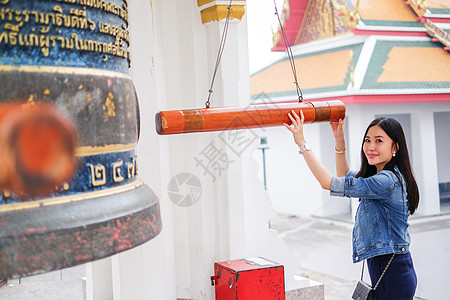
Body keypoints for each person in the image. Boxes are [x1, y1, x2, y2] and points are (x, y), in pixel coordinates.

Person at [284, 110, 418, 300]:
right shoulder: (378, 178)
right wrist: (340, 140)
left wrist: (302, 144)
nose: (371, 146)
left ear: (395, 147)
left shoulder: (387, 181)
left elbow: (328, 182)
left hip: (393, 272)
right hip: (386, 268)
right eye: (367, 140)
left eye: (379, 141)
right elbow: (344, 176)